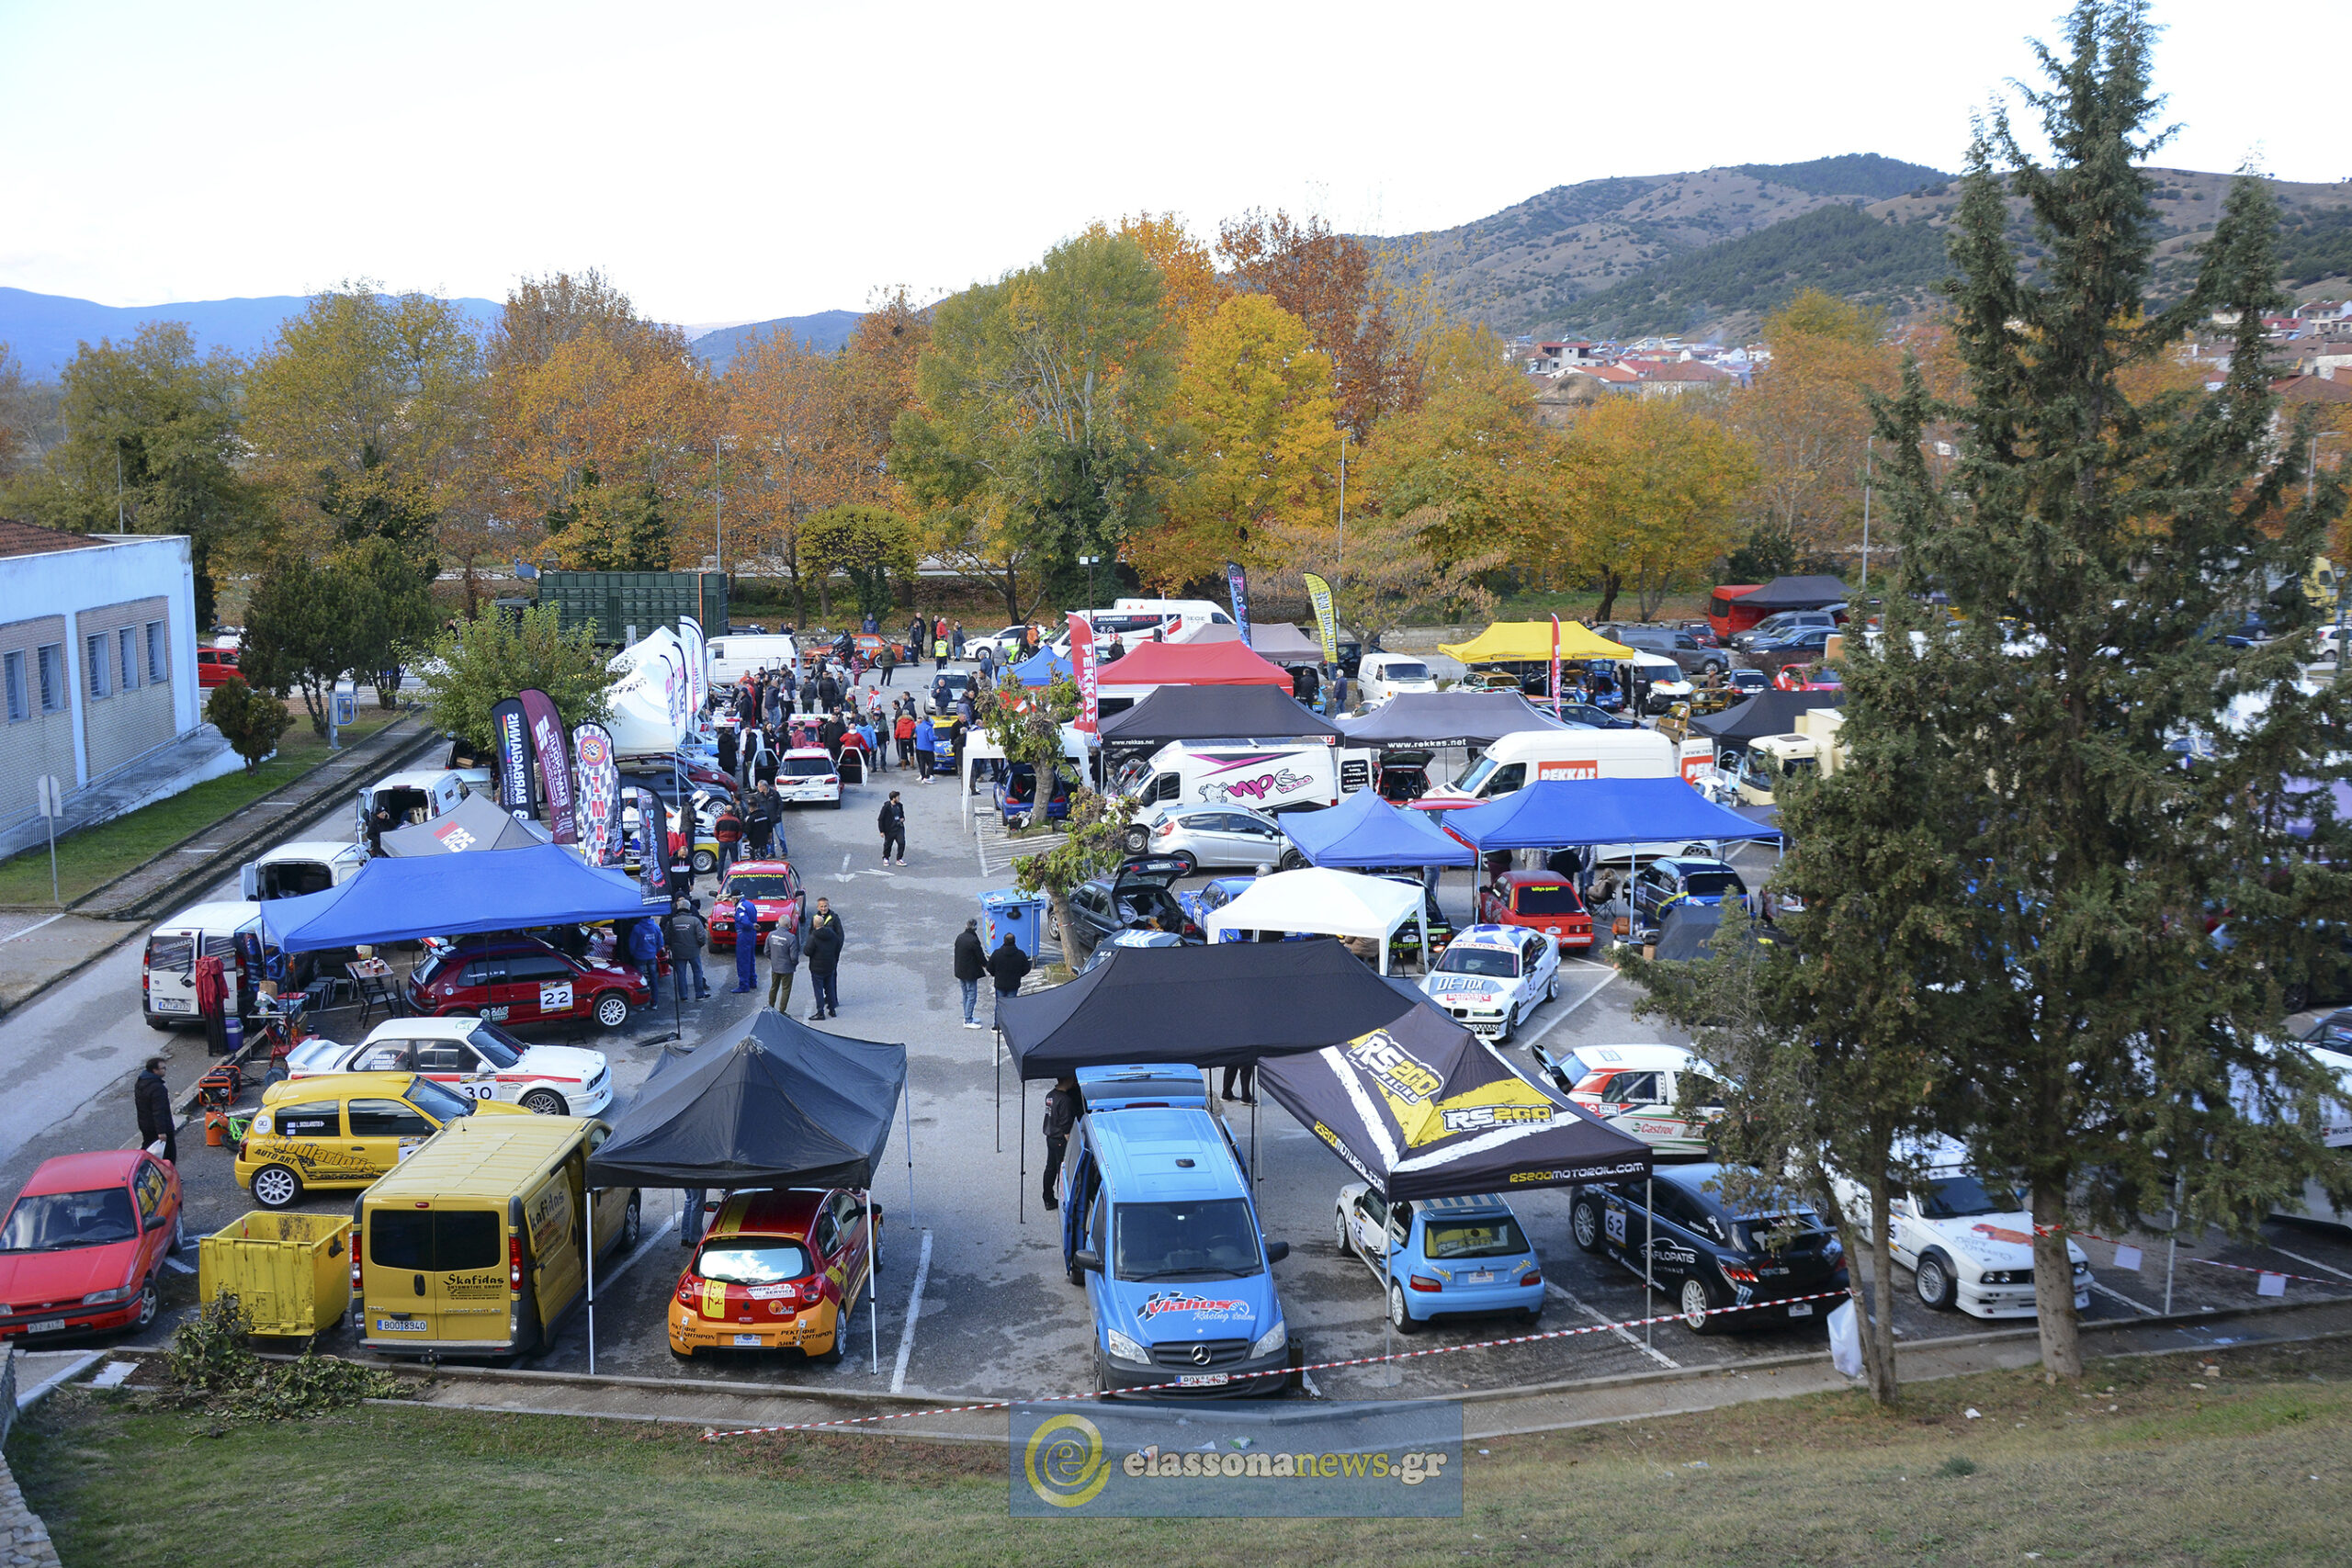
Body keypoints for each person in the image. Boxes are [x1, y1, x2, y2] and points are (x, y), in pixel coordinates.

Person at [1041, 1075, 1080, 1211]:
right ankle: (1062, 1201)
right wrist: (1072, 1145)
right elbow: (1066, 1126)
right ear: (1067, 1079)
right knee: (1062, 1171)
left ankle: (1048, 1198)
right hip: (1060, 1140)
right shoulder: (1065, 1101)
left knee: (1050, 1168)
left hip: (1050, 1137)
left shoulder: (1050, 1096)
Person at [804, 897, 844, 1019]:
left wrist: (836, 954)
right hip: (825, 958)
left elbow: (840, 937)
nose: (823, 908)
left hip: (828, 958)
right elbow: (810, 933)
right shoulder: (815, 918)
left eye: (825, 906)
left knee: (829, 983)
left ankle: (831, 1002)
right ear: (818, 907)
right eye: (821, 906)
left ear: (828, 906)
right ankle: (831, 1006)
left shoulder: (834, 918)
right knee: (828, 983)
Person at [666, 896, 710, 1000]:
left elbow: (667, 937)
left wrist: (671, 947)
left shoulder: (672, 922)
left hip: (678, 952)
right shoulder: (695, 921)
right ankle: (699, 994)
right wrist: (698, 946)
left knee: (681, 974)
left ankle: (683, 996)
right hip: (693, 951)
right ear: (688, 908)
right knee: (697, 972)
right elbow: (702, 937)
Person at [135, 1055, 175, 1165]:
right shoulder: (158, 1088)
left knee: (147, 1150)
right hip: (159, 1128)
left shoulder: (140, 1083)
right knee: (168, 1154)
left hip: (145, 1124)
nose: (165, 1070)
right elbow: (159, 1111)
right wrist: (161, 1131)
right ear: (155, 1070)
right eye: (163, 1068)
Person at [987, 931, 1031, 1021]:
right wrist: (1020, 975)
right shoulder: (1020, 954)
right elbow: (1027, 968)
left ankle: (997, 1025)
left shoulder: (997, 953)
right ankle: (1009, 1025)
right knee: (1010, 1006)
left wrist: (995, 974)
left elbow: (989, 967)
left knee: (1000, 1005)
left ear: (1004, 941)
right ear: (1014, 941)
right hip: (1013, 984)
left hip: (1000, 984)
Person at [766, 903, 803, 1013]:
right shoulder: (791, 937)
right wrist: (794, 963)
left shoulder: (771, 935)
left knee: (774, 987)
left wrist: (773, 959)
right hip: (787, 968)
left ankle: (771, 1007)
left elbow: (766, 951)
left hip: (775, 966)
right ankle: (782, 1011)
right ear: (788, 925)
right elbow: (794, 956)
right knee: (786, 989)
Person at [953, 919, 988, 1029]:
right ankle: (968, 1020)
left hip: (960, 970)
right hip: (970, 972)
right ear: (975, 927)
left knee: (965, 994)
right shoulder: (973, 940)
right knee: (972, 995)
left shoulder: (960, 937)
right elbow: (980, 956)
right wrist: (987, 965)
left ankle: (967, 1016)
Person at [628, 915, 665, 1010]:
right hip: (651, 956)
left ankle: (641, 1004)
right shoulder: (656, 927)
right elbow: (660, 943)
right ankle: (654, 1002)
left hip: (640, 957)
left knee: (640, 980)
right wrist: (654, 952)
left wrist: (634, 954)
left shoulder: (637, 928)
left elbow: (632, 945)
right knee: (653, 979)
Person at [729, 892, 760, 993]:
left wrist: (751, 925)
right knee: (751, 958)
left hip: (744, 934)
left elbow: (745, 921)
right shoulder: (750, 904)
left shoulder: (740, 907)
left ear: (735, 898)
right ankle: (752, 981)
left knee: (743, 960)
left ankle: (744, 985)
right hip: (752, 934)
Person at [713, 797, 745, 876]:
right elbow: (739, 833)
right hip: (732, 842)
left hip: (723, 842)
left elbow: (715, 832)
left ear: (724, 811)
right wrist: (736, 839)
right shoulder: (736, 820)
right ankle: (735, 876)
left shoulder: (719, 820)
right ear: (732, 811)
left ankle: (720, 877)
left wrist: (720, 839)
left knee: (721, 861)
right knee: (734, 861)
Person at [878, 790, 907, 866]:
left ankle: (899, 859)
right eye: (898, 797)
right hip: (890, 829)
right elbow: (881, 819)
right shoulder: (886, 807)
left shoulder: (900, 805)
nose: (899, 798)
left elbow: (902, 815)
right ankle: (886, 858)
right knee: (888, 844)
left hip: (899, 828)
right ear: (893, 798)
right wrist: (881, 831)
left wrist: (903, 819)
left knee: (902, 842)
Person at [913, 714, 937, 782]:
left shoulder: (918, 727)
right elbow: (931, 738)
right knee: (931, 762)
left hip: (920, 747)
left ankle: (922, 776)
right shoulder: (929, 728)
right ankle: (928, 776)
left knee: (922, 762)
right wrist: (937, 737)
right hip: (928, 748)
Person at [895, 706, 917, 770]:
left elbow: (897, 732)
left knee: (903, 752)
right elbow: (914, 730)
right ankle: (912, 764)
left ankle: (903, 766)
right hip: (910, 739)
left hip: (902, 739)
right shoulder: (911, 722)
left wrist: (896, 738)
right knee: (911, 751)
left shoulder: (899, 722)